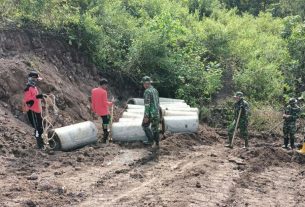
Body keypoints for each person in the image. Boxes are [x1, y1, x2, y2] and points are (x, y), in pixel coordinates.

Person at [23, 71, 45, 149]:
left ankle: (41, 142)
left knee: (41, 127)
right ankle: (39, 144)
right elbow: (28, 102)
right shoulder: (28, 89)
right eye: (36, 79)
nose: (37, 81)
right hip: (32, 111)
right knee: (37, 128)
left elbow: (36, 98)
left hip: (37, 110)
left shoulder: (34, 88)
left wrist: (41, 97)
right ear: (33, 79)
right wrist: (37, 97)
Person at [91, 79, 114, 143]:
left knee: (105, 121)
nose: (106, 87)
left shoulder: (93, 90)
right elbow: (104, 103)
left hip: (97, 110)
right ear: (103, 84)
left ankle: (105, 132)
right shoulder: (104, 92)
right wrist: (111, 103)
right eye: (106, 85)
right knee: (106, 121)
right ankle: (105, 134)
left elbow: (92, 101)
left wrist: (94, 110)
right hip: (103, 111)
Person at [141, 76, 160, 147]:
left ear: (147, 83)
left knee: (144, 125)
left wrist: (146, 116)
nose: (144, 85)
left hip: (150, 113)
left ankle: (150, 140)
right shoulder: (155, 90)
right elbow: (158, 102)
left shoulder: (147, 91)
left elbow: (147, 105)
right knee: (155, 128)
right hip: (156, 112)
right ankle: (157, 143)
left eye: (145, 83)